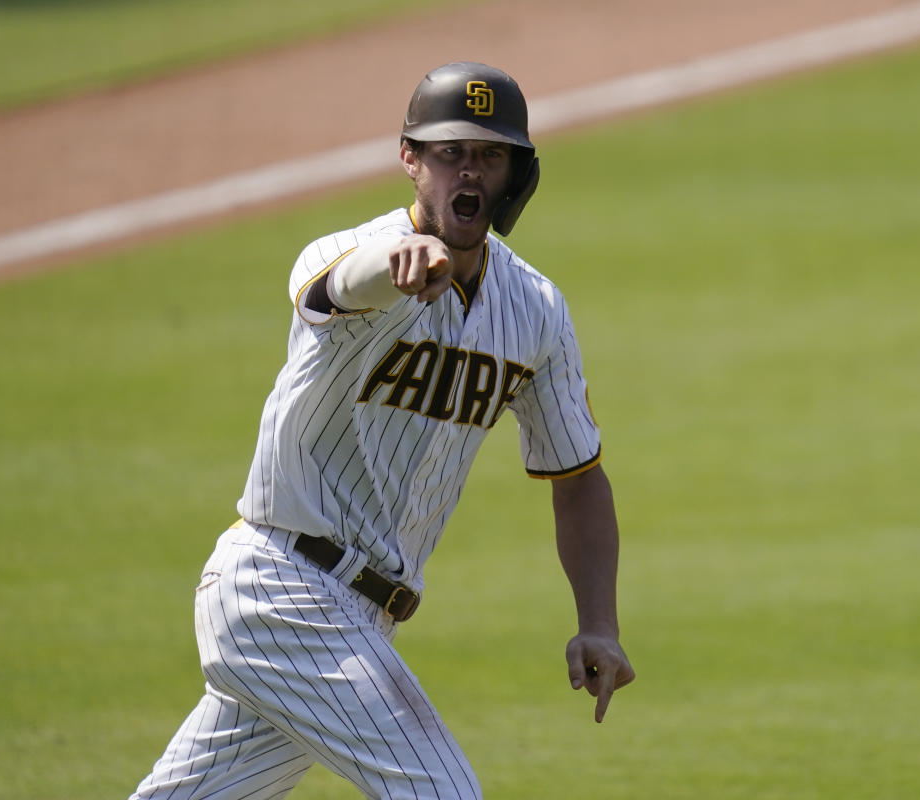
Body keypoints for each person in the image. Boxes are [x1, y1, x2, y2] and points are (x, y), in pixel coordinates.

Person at [129, 61, 634, 800]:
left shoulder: (536, 310)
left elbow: (579, 477)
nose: (469, 171)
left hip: (357, 618)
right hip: (280, 588)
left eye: (489, 155)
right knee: (441, 793)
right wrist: (391, 265)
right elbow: (333, 285)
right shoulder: (349, 253)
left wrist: (599, 621)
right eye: (450, 151)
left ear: (513, 173)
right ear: (410, 159)